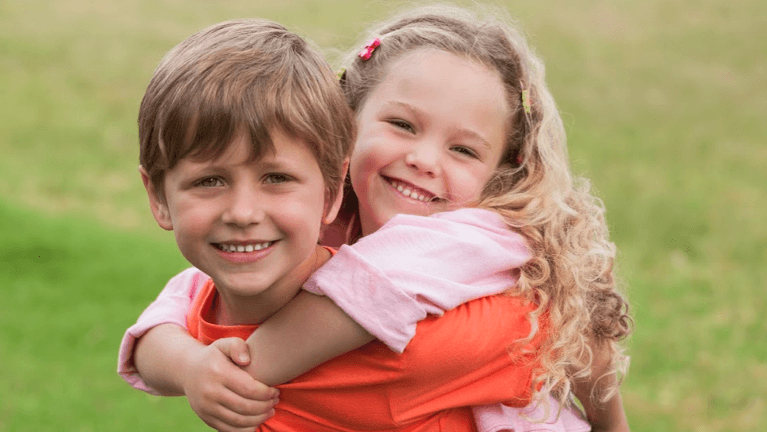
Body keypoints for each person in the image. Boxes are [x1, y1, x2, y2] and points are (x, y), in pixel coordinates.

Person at [119, 6, 631, 431]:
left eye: (463, 150)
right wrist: (190, 367)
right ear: (347, 123)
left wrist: (240, 372)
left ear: (501, 169)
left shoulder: (484, 236)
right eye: (402, 125)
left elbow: (369, 287)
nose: (425, 160)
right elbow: (172, 308)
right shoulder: (310, 215)